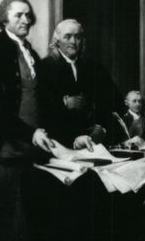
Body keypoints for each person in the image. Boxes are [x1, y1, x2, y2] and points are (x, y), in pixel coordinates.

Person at [0, 0, 56, 160]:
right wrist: (29, 133)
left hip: (35, 143)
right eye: (18, 16)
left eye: (28, 15)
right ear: (4, 21)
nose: (26, 20)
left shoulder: (32, 54)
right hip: (5, 146)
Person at [35, 18, 120, 149]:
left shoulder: (95, 68)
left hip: (92, 141)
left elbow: (112, 101)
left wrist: (101, 126)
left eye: (78, 37)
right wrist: (63, 103)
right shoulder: (45, 67)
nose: (73, 42)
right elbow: (40, 107)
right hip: (59, 142)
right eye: (67, 37)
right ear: (57, 41)